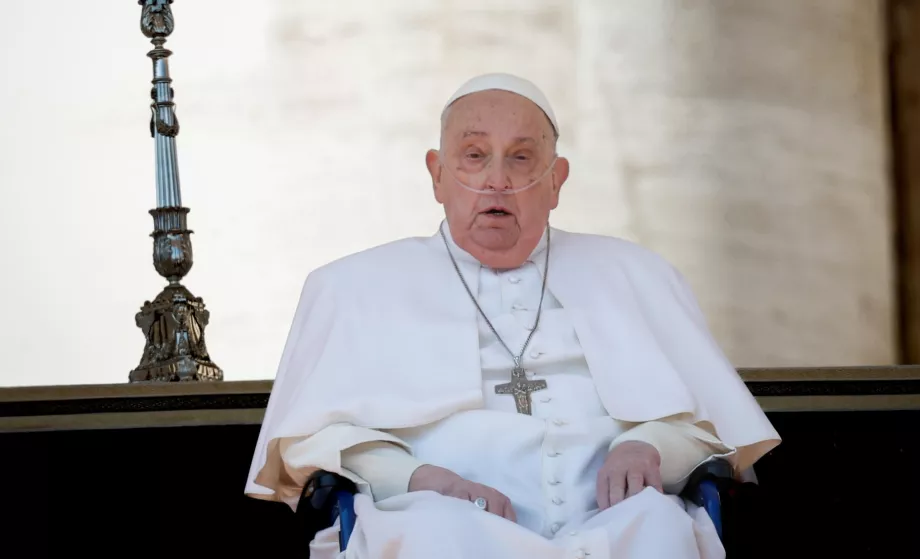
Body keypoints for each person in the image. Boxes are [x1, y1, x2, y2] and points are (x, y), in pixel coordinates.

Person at [245, 73, 780, 559]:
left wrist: (650, 445)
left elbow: (713, 430)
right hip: (438, 518)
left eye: (521, 158)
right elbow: (308, 442)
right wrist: (417, 478)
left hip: (614, 520)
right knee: (436, 538)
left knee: (661, 529)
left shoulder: (636, 272)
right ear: (437, 175)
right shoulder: (350, 286)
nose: (497, 180)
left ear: (556, 179)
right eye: (474, 155)